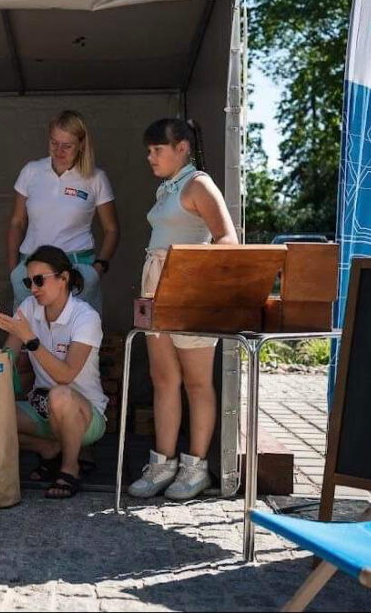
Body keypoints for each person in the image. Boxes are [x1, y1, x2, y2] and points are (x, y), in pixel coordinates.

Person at [127, 118, 238, 501]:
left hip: (189, 292)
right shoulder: (167, 187)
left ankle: (196, 468)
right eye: (149, 151)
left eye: (157, 150)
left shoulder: (199, 184)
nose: (150, 157)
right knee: (163, 379)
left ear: (182, 148)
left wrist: (188, 275)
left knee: (196, 382)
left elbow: (227, 239)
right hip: (155, 290)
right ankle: (163, 464)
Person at [0, 246, 106, 500]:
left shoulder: (86, 317)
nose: (33, 288)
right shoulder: (29, 307)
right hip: (41, 406)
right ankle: (48, 448)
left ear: (64, 278)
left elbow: (65, 376)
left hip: (85, 414)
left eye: (39, 280)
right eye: (28, 282)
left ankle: (70, 468)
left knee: (60, 395)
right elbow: (8, 358)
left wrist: (31, 340)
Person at [7, 110, 119, 312]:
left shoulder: (95, 178)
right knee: (27, 329)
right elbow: (17, 222)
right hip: (30, 269)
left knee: (78, 330)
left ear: (82, 144)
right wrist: (14, 269)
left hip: (75, 268)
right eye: (54, 143)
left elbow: (111, 229)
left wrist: (98, 268)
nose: (59, 151)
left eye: (67, 146)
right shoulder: (31, 171)